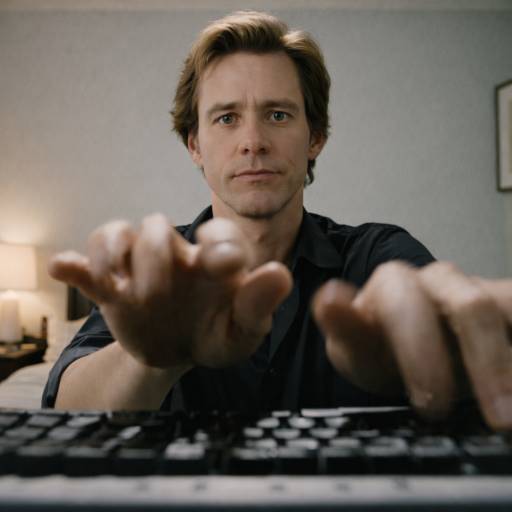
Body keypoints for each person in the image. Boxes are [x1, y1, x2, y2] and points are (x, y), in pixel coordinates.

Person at [43, 11, 512, 430]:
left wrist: (442, 351)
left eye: (278, 114)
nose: (253, 140)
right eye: (227, 118)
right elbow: (64, 411)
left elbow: (457, 347)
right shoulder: (155, 268)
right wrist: (151, 359)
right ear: (195, 146)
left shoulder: (376, 254)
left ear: (315, 138)